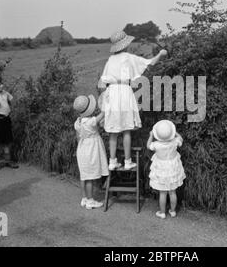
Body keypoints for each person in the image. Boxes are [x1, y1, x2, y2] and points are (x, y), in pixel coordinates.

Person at [98, 30, 167, 171]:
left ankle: (112, 161)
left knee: (113, 131)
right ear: (125, 45)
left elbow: (102, 83)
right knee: (126, 130)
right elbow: (150, 63)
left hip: (111, 93)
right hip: (124, 92)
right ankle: (128, 162)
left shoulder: (110, 60)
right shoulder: (128, 57)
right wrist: (161, 54)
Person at [73, 94, 109, 209]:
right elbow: (103, 114)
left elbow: (78, 138)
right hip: (91, 150)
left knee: (84, 175)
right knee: (90, 177)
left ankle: (84, 197)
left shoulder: (77, 122)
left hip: (82, 149)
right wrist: (107, 103)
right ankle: (90, 200)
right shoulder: (91, 122)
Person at [147, 120, 186, 219]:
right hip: (172, 170)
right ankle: (173, 211)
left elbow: (148, 146)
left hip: (161, 171)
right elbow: (180, 138)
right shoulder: (174, 142)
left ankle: (162, 212)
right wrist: (175, 132)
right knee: (173, 192)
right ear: (171, 134)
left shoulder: (156, 145)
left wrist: (151, 136)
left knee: (163, 193)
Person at [0, 75, 19, 169]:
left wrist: (11, 109)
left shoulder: (5, 93)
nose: (1, 86)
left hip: (6, 120)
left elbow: (13, 100)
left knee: (7, 141)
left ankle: (8, 161)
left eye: (1, 84)